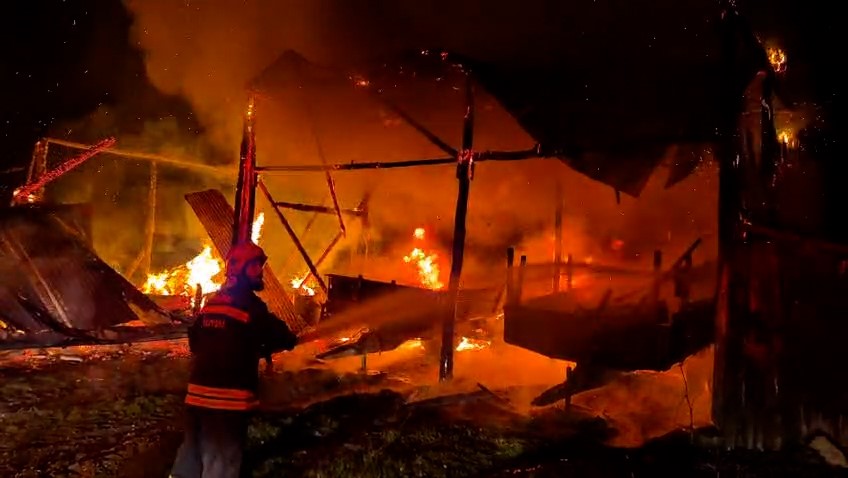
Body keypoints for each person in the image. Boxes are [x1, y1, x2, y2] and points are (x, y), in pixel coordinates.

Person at [170, 241, 298, 478]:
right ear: (247, 269)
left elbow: (195, 341)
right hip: (227, 403)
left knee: (190, 460)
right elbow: (282, 336)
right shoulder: (250, 306)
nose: (260, 273)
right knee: (221, 465)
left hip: (196, 397)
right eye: (257, 267)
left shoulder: (213, 303)